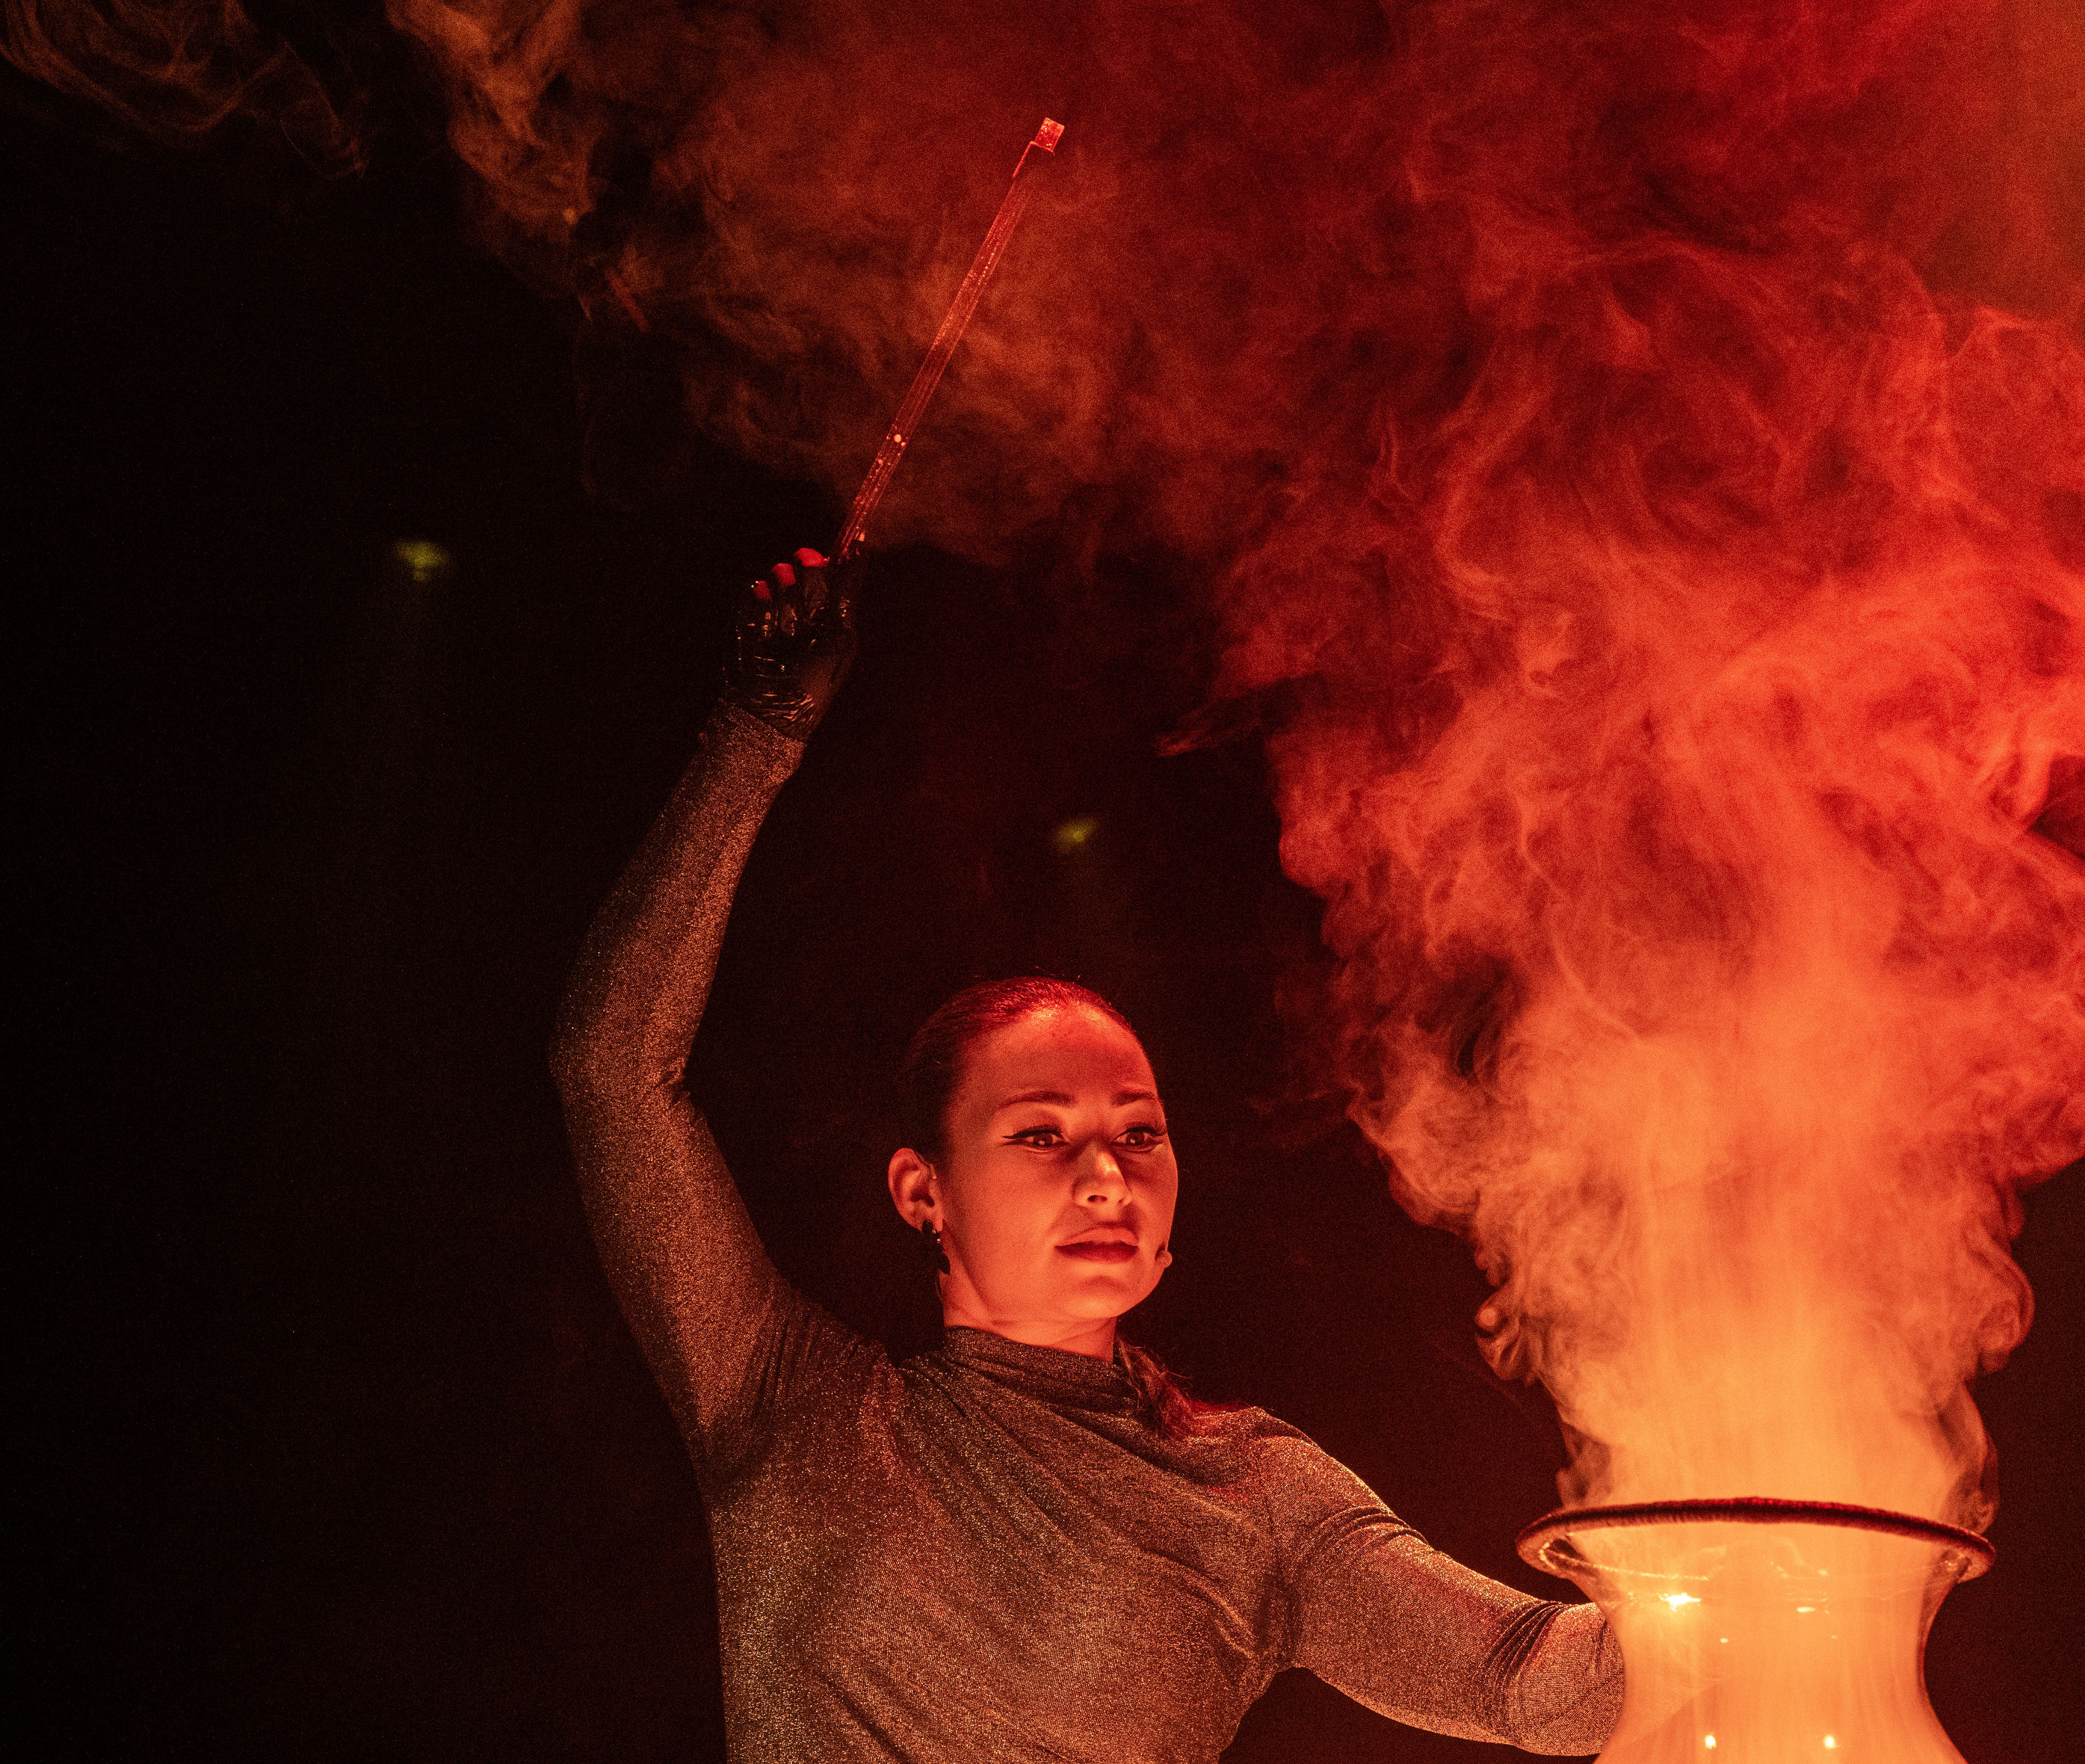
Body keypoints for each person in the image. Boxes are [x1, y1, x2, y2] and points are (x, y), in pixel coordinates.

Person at [549, 546, 1623, 1762]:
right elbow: (611, 1071)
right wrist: (752, 737)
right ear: (922, 1191)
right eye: (1042, 1136)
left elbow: (1529, 1683)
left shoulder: (1254, 1493)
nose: (1106, 1176)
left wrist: (1774, 1563)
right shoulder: (795, 1413)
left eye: (1139, 1134)